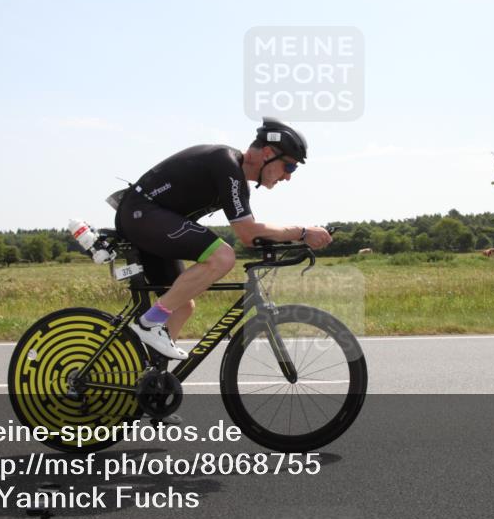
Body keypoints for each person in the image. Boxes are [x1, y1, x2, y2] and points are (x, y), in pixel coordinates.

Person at [114, 118, 332, 359]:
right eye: (289, 167)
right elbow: (248, 232)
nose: (288, 177)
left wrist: (295, 241)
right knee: (222, 256)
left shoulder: (237, 181)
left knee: (182, 306)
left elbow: (252, 237)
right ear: (268, 153)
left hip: (150, 220)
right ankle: (148, 324)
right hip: (141, 213)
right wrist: (302, 232)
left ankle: (148, 378)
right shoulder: (225, 164)